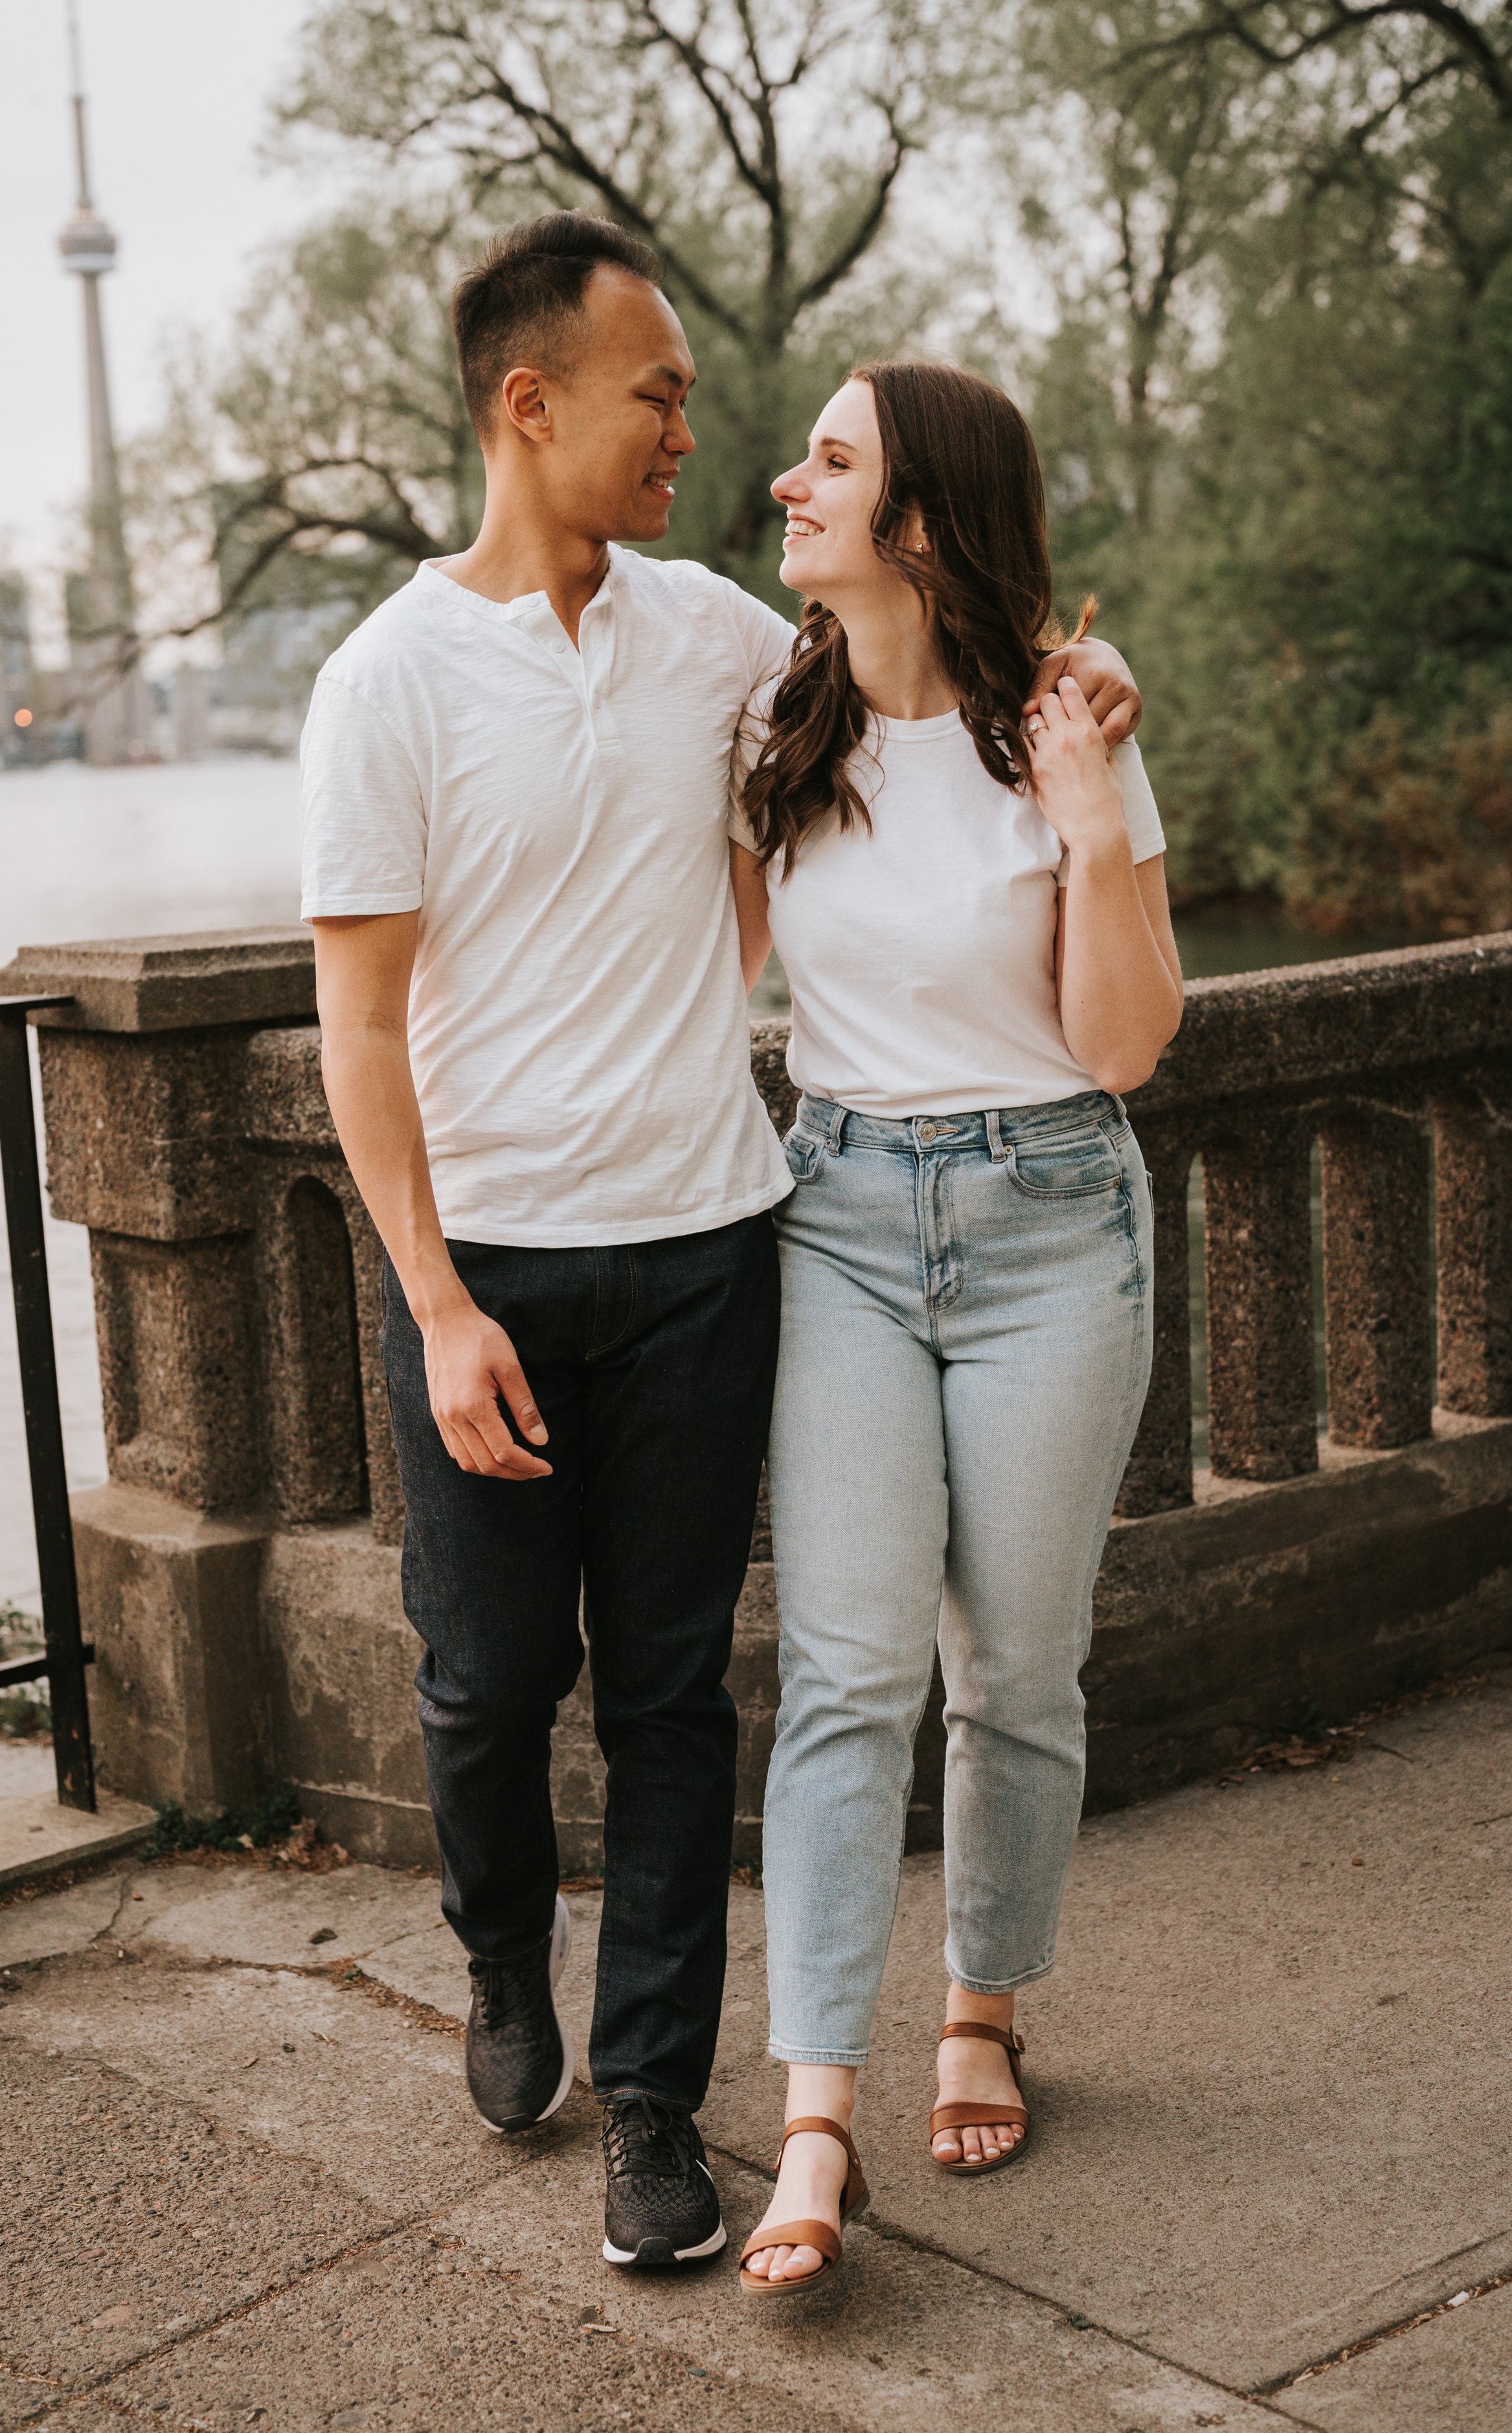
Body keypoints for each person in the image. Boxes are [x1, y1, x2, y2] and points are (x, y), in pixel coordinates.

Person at [300, 212, 1145, 2274]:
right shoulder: (410, 683)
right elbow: (364, 1020)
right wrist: (431, 1303)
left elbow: (997, 900)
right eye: (659, 395)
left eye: (756, 424)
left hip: (746, 1246)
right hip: (563, 1261)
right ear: (533, 405)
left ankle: (693, 2111)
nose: (714, 437)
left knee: (728, 1693)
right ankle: (508, 1965)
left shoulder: (729, 646)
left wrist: (1091, 737)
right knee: (496, 1693)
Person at [730, 361, 1184, 2294]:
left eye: (826, 461)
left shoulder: (1057, 727)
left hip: (1049, 1217)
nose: (781, 478)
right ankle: (814, 2109)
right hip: (835, 1211)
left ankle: (983, 2008)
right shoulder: (770, 711)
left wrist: (1085, 819)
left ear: (917, 521)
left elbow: (1124, 1045)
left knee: (1012, 1666)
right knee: (842, 1670)